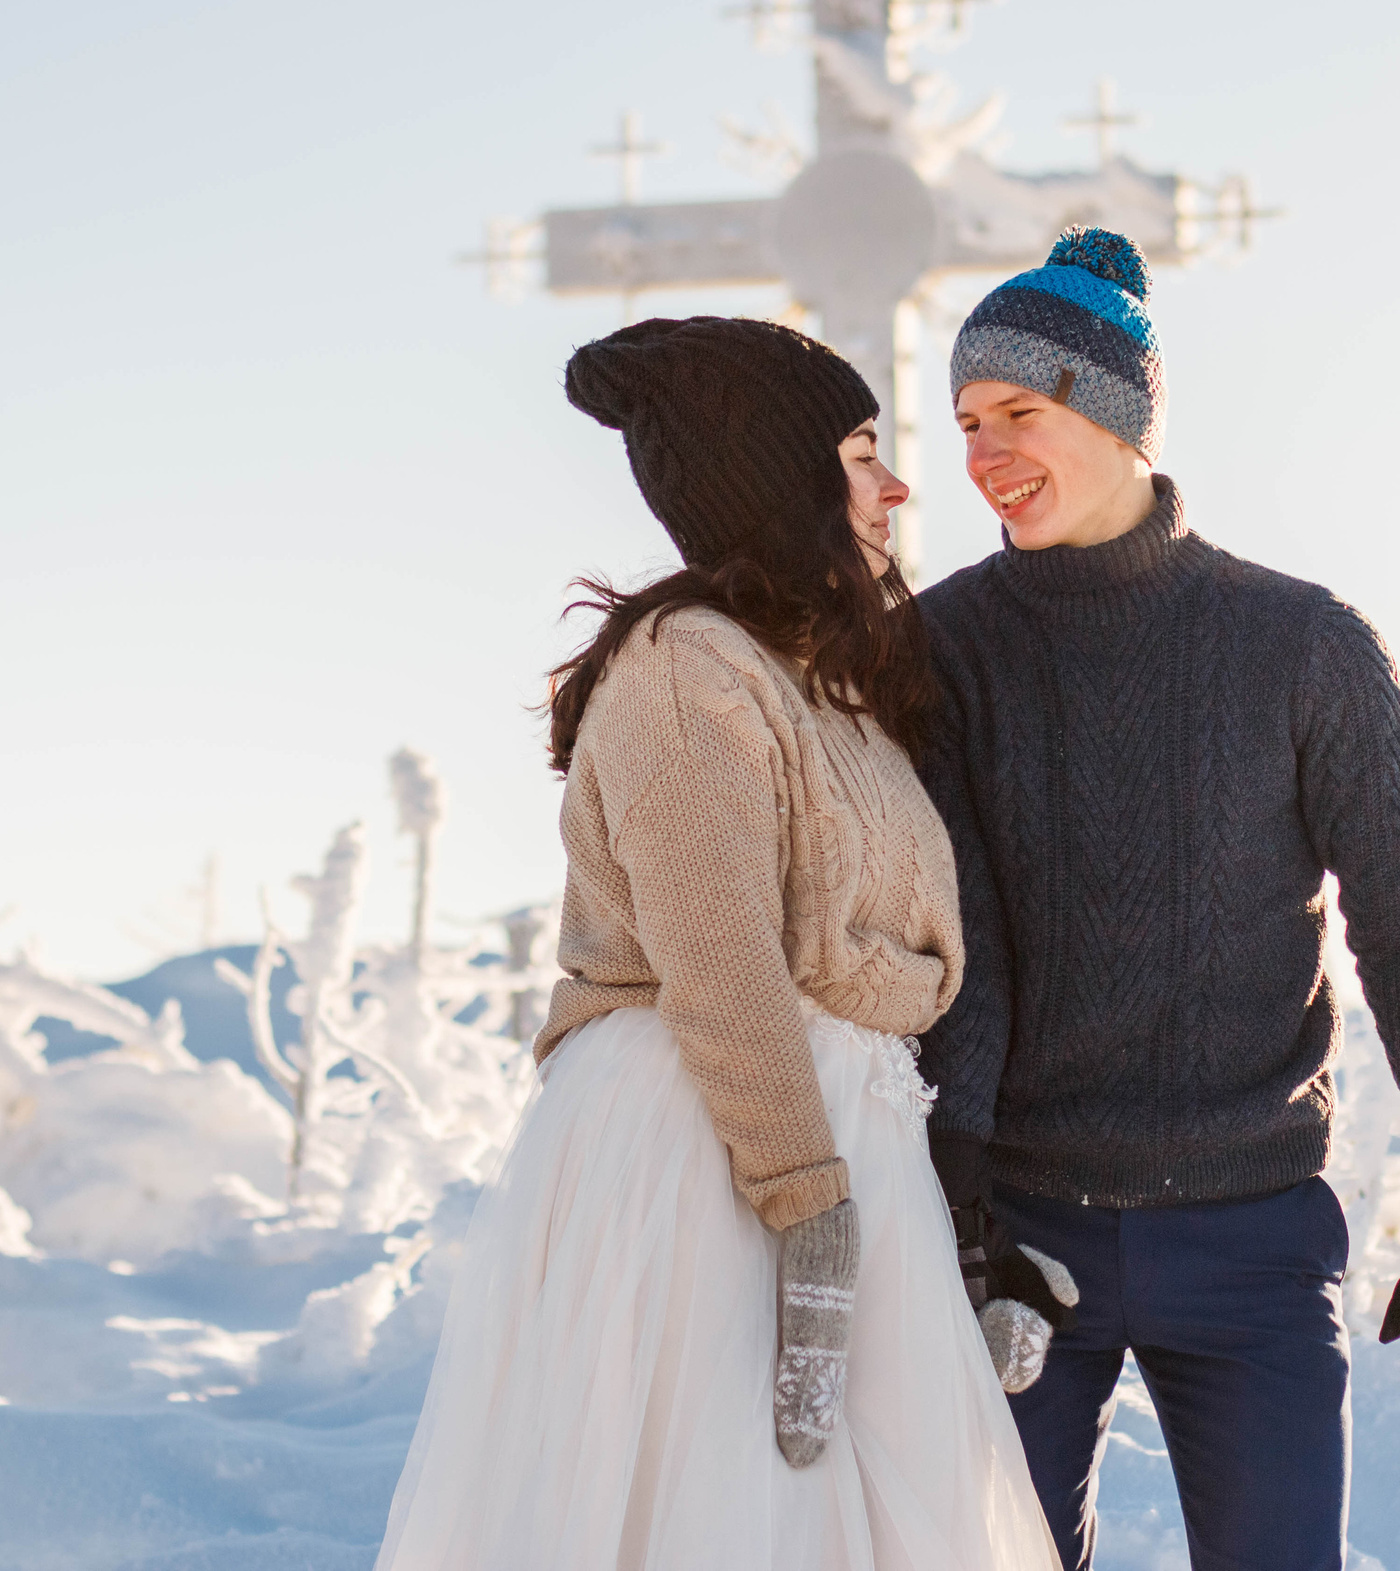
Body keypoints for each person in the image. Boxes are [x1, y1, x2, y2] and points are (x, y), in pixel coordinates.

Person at [376, 316, 1061, 1571]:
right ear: (777, 478)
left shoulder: (812, 673)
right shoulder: (685, 669)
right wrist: (809, 1213)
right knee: (734, 1513)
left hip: (824, 1141)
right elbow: (724, 958)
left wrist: (930, 1232)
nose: (898, 484)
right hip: (709, 1153)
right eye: (860, 454)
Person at [914, 230, 1400, 1571]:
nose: (982, 451)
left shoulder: (1303, 643)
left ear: (1121, 411)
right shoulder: (943, 646)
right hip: (1022, 1230)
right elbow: (954, 932)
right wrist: (956, 1199)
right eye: (967, 420)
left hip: (1252, 1232)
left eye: (1019, 410)